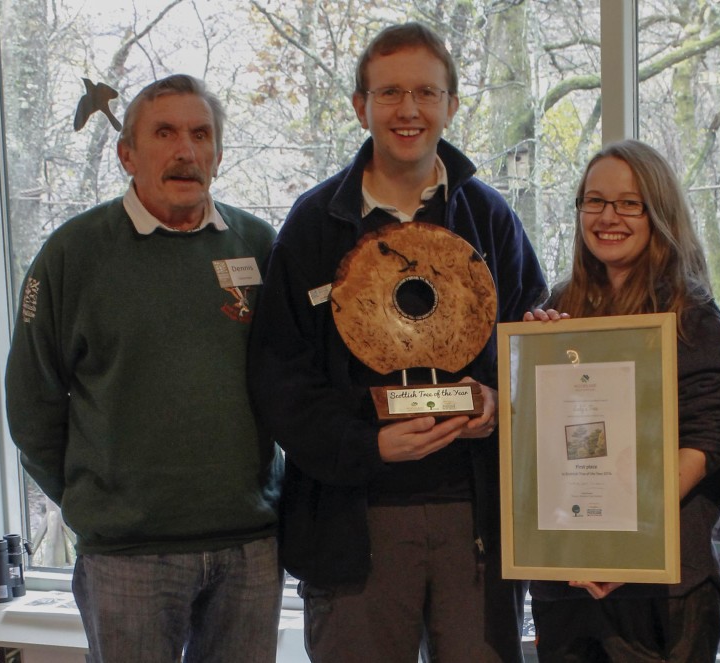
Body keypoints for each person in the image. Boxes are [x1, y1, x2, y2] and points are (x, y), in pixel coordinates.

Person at [246, 22, 546, 663]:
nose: (408, 110)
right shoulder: (313, 225)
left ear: (451, 105)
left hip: (476, 521)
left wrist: (497, 403)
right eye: (388, 94)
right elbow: (280, 377)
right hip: (355, 524)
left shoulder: (490, 219)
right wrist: (367, 444)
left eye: (426, 93)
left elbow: (533, 351)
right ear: (360, 107)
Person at [4, 74, 283, 663]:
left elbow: (293, 380)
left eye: (200, 134)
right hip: (127, 558)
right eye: (165, 133)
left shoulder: (257, 244)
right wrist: (93, 502)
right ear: (127, 153)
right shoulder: (73, 255)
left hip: (249, 551)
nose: (186, 150)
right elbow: (32, 407)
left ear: (219, 153)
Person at [524, 139, 720, 662]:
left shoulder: (693, 317)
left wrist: (623, 541)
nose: (607, 217)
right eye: (594, 201)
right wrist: (529, 363)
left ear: (657, 212)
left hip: (662, 584)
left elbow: (708, 442)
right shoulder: (557, 309)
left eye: (628, 203)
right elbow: (538, 449)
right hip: (568, 580)